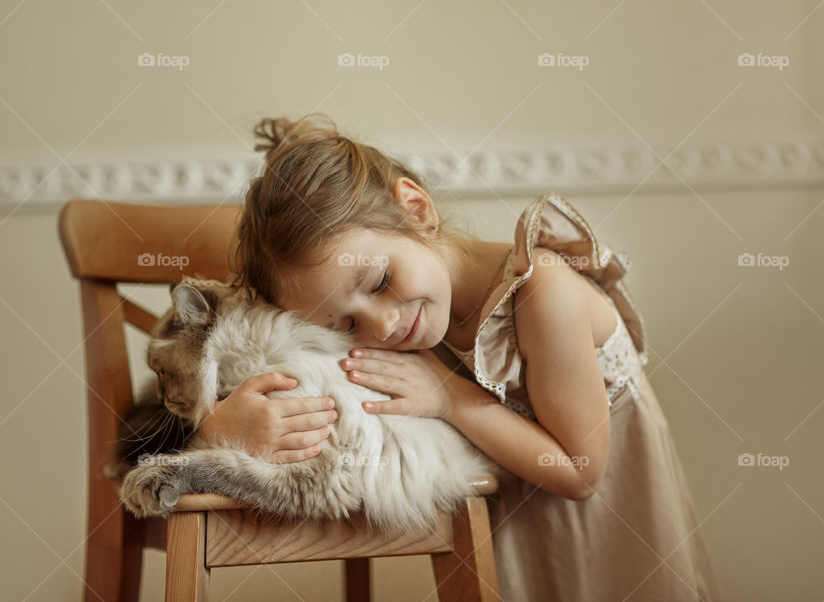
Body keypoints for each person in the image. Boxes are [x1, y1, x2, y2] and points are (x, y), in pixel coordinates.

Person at [193, 113, 722, 601]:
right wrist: (219, 427)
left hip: (613, 530)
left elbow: (580, 473)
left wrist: (448, 397)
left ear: (418, 210)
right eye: (345, 324)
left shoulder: (544, 295)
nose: (382, 326)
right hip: (517, 532)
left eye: (379, 281)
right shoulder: (409, 317)